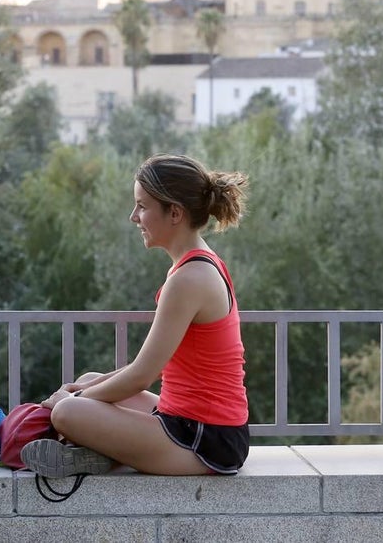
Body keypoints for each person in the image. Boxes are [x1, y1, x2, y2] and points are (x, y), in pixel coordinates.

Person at [20, 153, 251, 478]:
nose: (133, 217)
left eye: (142, 206)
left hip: (207, 441)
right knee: (86, 383)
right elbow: (146, 367)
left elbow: (143, 375)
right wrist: (82, 390)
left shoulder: (189, 279)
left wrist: (71, 400)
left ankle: (96, 451)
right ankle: (97, 455)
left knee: (68, 411)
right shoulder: (193, 266)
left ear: (174, 213)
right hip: (185, 420)